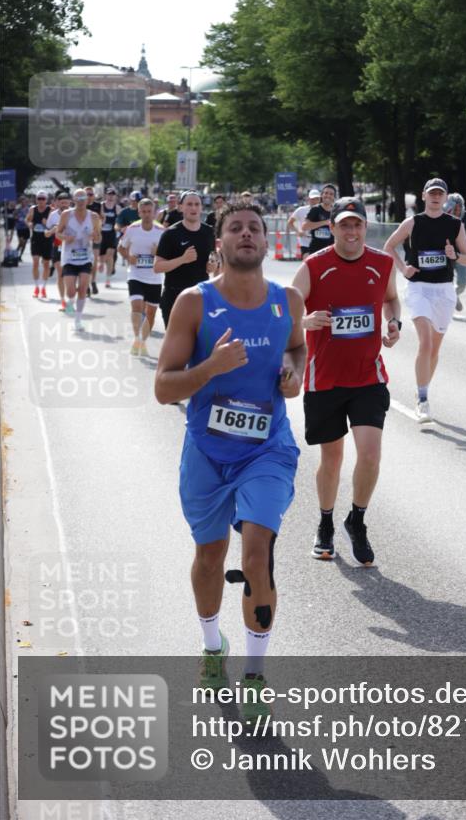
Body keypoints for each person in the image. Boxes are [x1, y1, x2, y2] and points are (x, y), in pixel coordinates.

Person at [154, 202, 305, 698]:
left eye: (254, 228)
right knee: (209, 555)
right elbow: (163, 388)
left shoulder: (287, 301)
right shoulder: (193, 304)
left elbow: (297, 346)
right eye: (235, 228)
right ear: (218, 242)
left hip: (267, 449)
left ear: (265, 240)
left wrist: (294, 371)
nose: (246, 234)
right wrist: (210, 369)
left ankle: (256, 675)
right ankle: (212, 644)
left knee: (257, 555)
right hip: (207, 451)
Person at [292, 197, 401, 565]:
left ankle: (357, 519)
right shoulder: (314, 265)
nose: (351, 231)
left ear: (365, 227)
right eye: (344, 225)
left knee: (370, 455)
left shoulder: (382, 263)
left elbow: (391, 299)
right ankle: (325, 523)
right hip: (324, 378)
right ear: (332, 228)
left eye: (357, 224)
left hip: (368, 376)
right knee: (332, 457)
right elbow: (285, 309)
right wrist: (304, 322)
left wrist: (393, 322)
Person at [383, 178, 466, 423]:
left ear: (445, 198)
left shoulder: (455, 225)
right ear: (424, 196)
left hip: (444, 290)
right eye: (431, 193)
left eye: (439, 194)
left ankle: (421, 387)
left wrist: (455, 255)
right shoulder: (412, 223)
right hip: (419, 288)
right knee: (425, 342)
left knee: (434, 348)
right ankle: (423, 400)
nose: (435, 197)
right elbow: (389, 246)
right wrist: (403, 269)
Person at [153, 191, 216, 328]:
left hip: (200, 296)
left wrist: (213, 265)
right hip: (175, 296)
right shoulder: (170, 233)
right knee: (177, 341)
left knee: (199, 340)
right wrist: (182, 259)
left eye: (197, 204)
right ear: (181, 207)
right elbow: (157, 267)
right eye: (189, 204)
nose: (193, 208)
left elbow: (213, 260)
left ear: (201, 207)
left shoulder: (209, 232)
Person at [119, 198, 164, 356]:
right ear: (139, 213)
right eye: (143, 212)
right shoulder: (132, 229)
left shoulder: (161, 231)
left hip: (154, 277)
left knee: (150, 313)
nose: (146, 215)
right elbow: (121, 248)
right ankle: (137, 339)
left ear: (154, 213)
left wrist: (158, 253)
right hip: (135, 275)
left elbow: (169, 254)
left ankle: (143, 342)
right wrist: (128, 257)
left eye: (149, 212)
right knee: (137, 307)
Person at [55, 188, 101, 332]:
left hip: (86, 257)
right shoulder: (66, 215)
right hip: (69, 257)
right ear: (73, 200)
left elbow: (98, 237)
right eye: (78, 199)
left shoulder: (94, 217)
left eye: (83, 199)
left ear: (87, 200)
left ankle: (78, 320)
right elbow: (57, 233)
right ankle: (70, 300)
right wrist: (65, 238)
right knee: (70, 291)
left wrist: (95, 236)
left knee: (82, 288)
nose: (81, 201)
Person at [444, 193, 466, 311]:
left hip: (462, 255)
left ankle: (455, 294)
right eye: (455, 207)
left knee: (463, 282)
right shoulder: (444, 215)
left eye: (460, 207)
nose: (457, 210)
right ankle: (447, 302)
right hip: (446, 254)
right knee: (446, 281)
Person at [45, 191, 71, 310]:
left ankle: (70, 298)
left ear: (70, 203)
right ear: (58, 203)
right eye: (62, 203)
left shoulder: (74, 214)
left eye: (66, 202)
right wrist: (52, 231)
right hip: (57, 246)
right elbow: (46, 233)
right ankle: (63, 301)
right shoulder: (53, 215)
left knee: (69, 275)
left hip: (71, 247)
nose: (64, 205)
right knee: (61, 273)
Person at [26, 191, 53, 298]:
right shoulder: (32, 209)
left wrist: (47, 224)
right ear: (36, 199)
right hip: (36, 239)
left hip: (47, 240)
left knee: (46, 264)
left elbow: (55, 225)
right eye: (39, 198)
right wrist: (29, 224)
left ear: (46, 200)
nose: (41, 201)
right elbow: (27, 220)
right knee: (35, 263)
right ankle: (37, 287)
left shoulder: (50, 210)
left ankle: (43, 288)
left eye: (43, 199)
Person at [301, 183, 336, 255]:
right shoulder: (316, 209)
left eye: (331, 194)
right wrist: (324, 222)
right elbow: (304, 226)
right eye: (326, 193)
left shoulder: (336, 211)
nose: (328, 196)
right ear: (322, 195)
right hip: (316, 251)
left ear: (334, 197)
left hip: (331, 251)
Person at [287, 189, 320, 261]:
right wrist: (298, 231)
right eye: (312, 199)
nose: (314, 201)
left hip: (319, 242)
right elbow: (290, 223)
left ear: (320, 199)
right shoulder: (301, 210)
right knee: (307, 262)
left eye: (317, 199)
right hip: (305, 242)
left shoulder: (323, 211)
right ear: (309, 199)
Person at [98, 188, 120, 287]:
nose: (111, 196)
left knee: (110, 255)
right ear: (106, 195)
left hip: (112, 233)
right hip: (101, 233)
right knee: (102, 255)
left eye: (113, 194)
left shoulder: (117, 208)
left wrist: (118, 227)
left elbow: (119, 220)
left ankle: (108, 279)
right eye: (109, 194)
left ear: (115, 196)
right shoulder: (101, 206)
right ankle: (102, 262)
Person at [85, 186, 103, 295]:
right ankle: (86, 285)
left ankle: (93, 282)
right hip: (84, 238)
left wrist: (97, 229)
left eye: (90, 194)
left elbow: (102, 219)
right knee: (86, 261)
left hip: (95, 235)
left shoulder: (98, 206)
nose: (88, 197)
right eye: (86, 194)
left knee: (95, 261)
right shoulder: (80, 206)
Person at [116, 191, 141, 264]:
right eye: (135, 200)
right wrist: (121, 229)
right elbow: (117, 225)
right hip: (128, 237)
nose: (137, 202)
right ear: (131, 200)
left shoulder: (143, 211)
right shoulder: (124, 212)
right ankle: (129, 261)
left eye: (139, 201)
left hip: (141, 236)